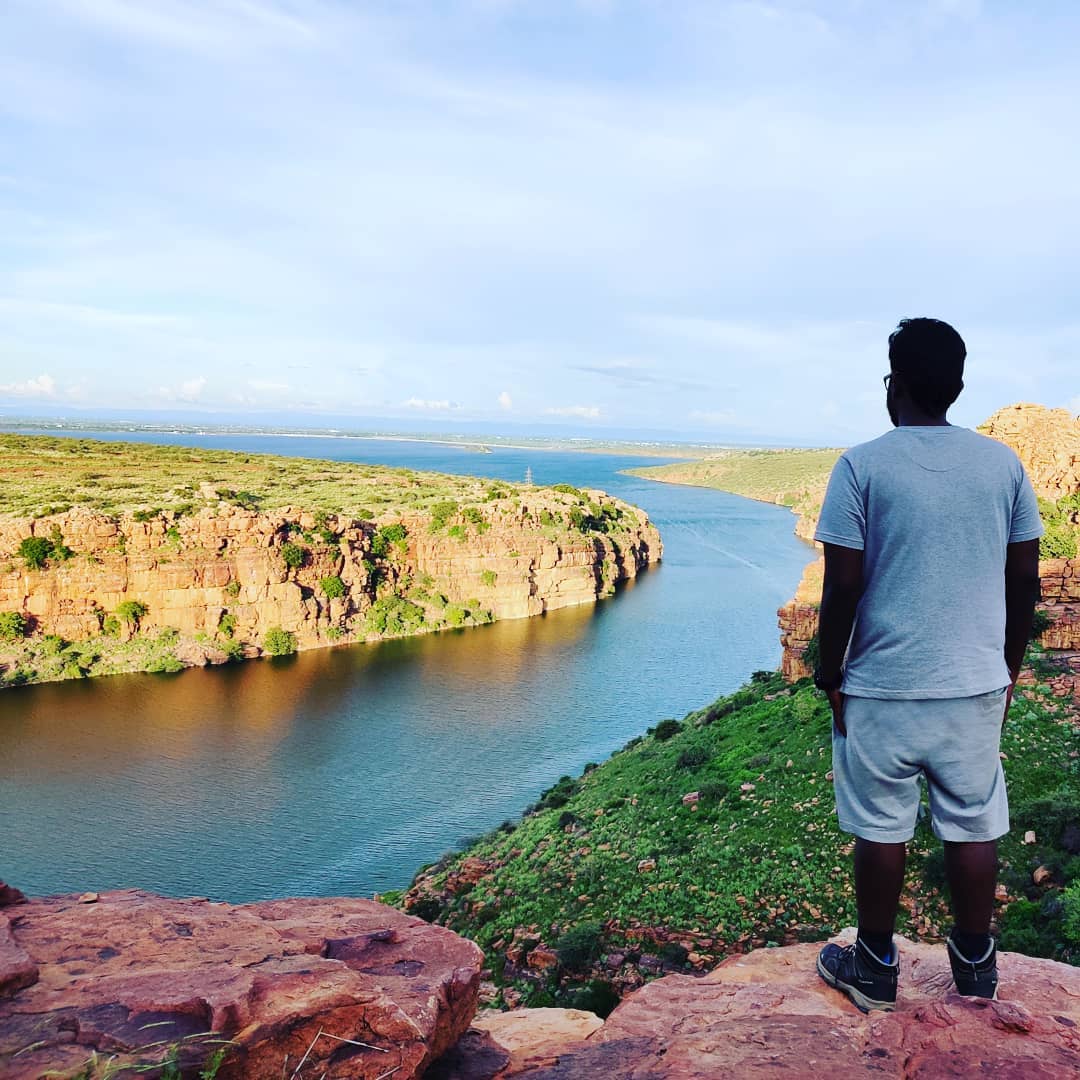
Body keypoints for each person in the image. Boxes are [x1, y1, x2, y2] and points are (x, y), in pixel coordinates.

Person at [811, 317, 1043, 1012]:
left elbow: (843, 584)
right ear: (959, 385)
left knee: (880, 825)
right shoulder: (1003, 465)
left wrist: (830, 674)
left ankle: (876, 967)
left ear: (896, 384)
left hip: (880, 686)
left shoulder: (860, 465)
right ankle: (976, 969)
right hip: (974, 684)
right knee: (973, 821)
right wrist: (1006, 669)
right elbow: (1024, 580)